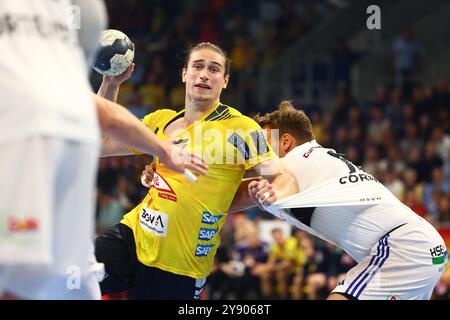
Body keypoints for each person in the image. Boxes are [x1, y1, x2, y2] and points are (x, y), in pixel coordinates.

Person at [0, 0, 206, 300]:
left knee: (22, 279)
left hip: (28, 137)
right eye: (197, 66)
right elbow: (96, 119)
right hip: (68, 140)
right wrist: (161, 149)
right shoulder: (88, 9)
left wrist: (161, 150)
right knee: (65, 284)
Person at [95, 42, 285, 299]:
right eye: (197, 66)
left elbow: (280, 177)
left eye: (214, 69)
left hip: (182, 265)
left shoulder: (245, 128)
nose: (204, 74)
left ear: (225, 81)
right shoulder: (159, 119)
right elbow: (101, 143)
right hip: (135, 236)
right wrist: (111, 83)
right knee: (73, 278)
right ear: (185, 74)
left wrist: (263, 193)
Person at [243, 101, 447, 300]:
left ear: (286, 142)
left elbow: (240, 190)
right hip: (424, 245)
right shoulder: (315, 161)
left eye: (264, 144)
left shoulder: (294, 161)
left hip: (402, 246)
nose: (258, 155)